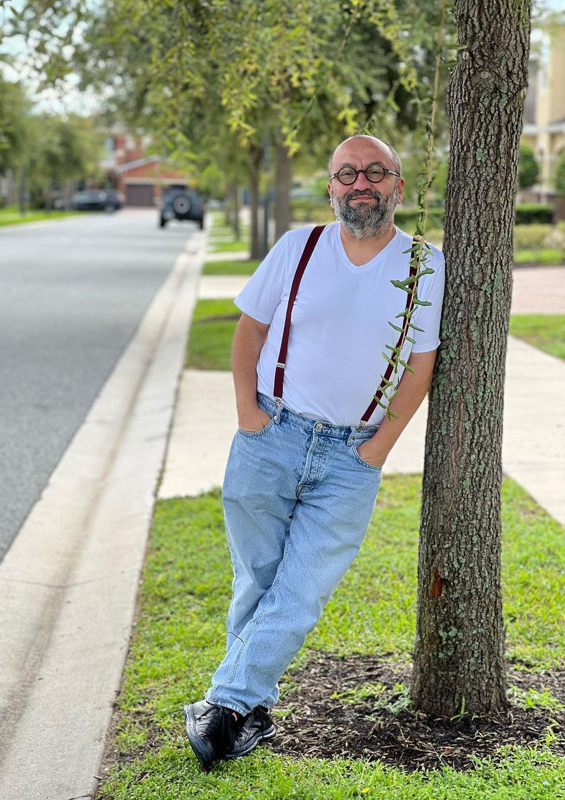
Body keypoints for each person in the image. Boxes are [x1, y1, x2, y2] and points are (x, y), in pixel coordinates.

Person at [184, 134, 445, 771]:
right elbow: (250, 329)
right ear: (331, 187)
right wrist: (249, 416)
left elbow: (420, 367)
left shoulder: (425, 266)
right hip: (270, 436)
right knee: (258, 582)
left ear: (398, 187)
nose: (362, 183)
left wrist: (379, 448)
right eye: (347, 173)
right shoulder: (298, 248)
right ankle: (247, 710)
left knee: (299, 592)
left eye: (376, 172)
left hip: (350, 459)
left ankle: (225, 705)